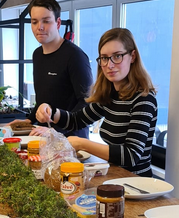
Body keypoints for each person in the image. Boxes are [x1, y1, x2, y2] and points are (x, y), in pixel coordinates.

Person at [37, 28, 157, 176]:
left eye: (117, 56)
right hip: (116, 176)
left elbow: (130, 155)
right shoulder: (111, 95)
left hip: (137, 181)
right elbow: (76, 120)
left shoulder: (144, 99)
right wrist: (50, 111)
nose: (109, 65)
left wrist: (82, 144)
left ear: (132, 56)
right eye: (104, 58)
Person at [10, 0, 93, 138]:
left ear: (58, 23)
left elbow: (87, 103)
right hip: (44, 137)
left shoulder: (75, 56)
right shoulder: (37, 55)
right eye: (34, 22)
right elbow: (43, 100)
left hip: (72, 139)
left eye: (46, 21)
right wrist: (29, 121)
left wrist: (56, 130)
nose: (39, 27)